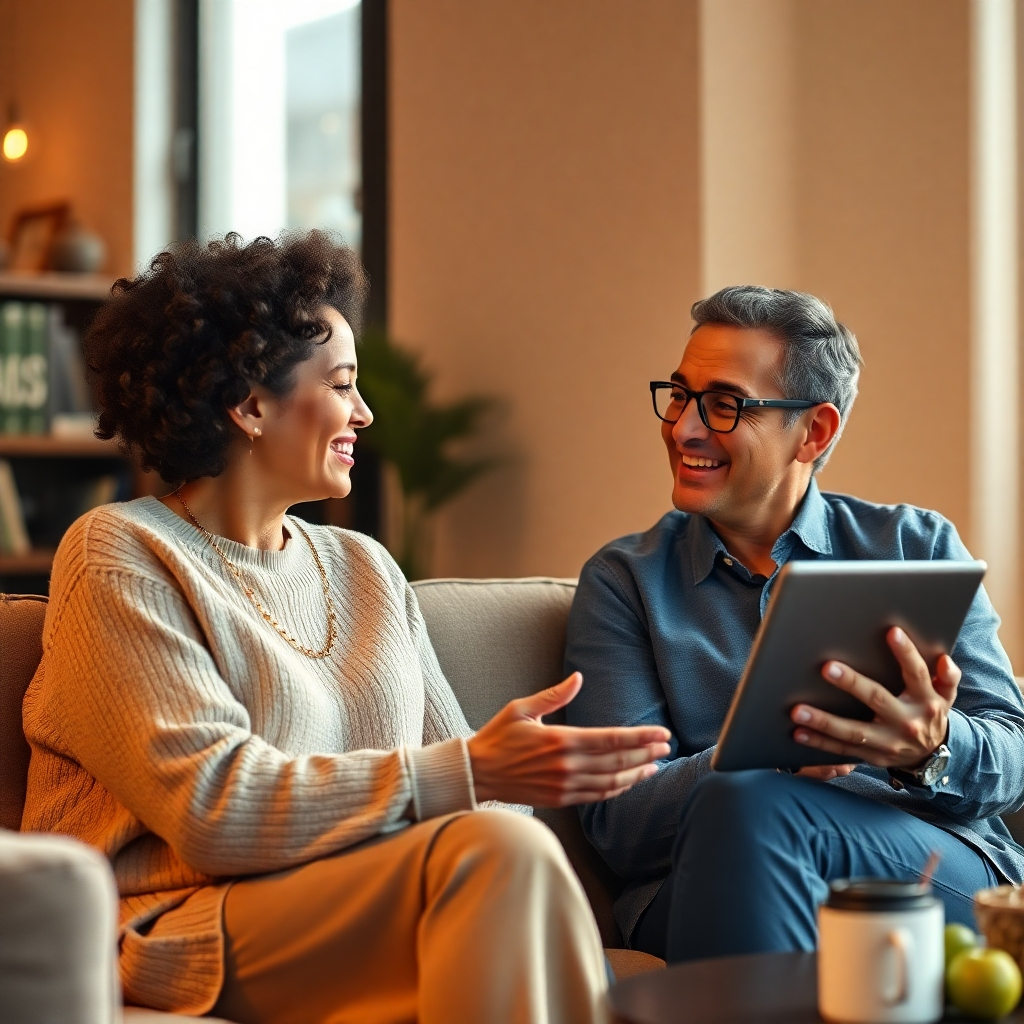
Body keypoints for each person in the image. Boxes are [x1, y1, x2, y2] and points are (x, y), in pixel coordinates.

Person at [19, 232, 671, 1023]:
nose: (364, 412)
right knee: (501, 857)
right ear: (251, 404)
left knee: (510, 847)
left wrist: (511, 775)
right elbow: (215, 811)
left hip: (358, 900)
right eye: (341, 384)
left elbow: (477, 805)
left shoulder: (365, 567)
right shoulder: (122, 553)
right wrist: (472, 770)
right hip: (179, 923)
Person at [564, 285, 1024, 963]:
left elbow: (1013, 756)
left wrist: (932, 747)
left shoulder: (915, 544)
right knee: (745, 806)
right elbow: (618, 825)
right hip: (711, 870)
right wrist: (759, 757)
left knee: (749, 809)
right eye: (681, 394)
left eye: (725, 406)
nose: (685, 427)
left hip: (919, 857)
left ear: (814, 431)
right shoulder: (624, 582)